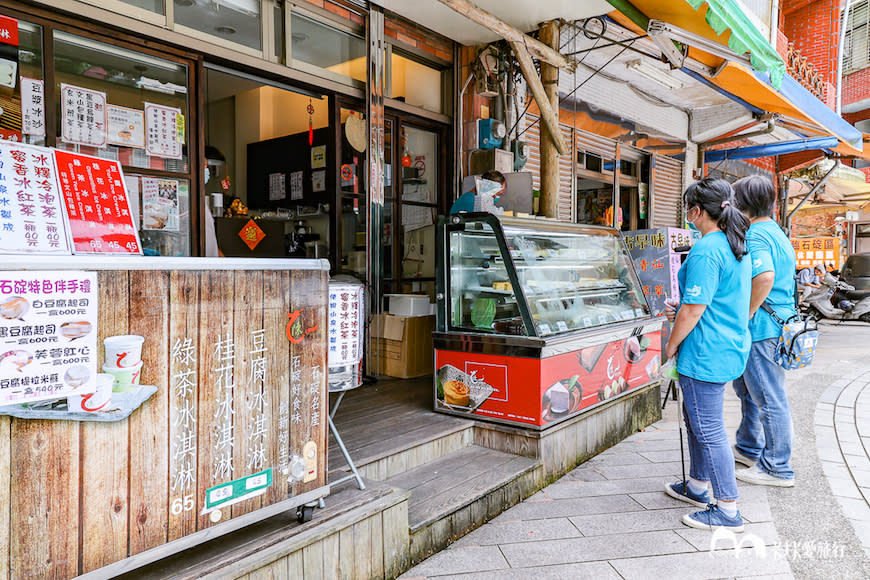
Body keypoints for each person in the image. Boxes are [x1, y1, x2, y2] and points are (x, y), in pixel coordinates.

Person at [663, 177, 751, 532]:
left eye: (688, 208)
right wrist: (684, 308)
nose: (687, 214)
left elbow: (694, 310)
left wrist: (670, 345)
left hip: (704, 352)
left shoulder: (706, 248)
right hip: (725, 347)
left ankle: (727, 509)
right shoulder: (735, 245)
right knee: (698, 423)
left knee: (709, 429)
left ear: (697, 211)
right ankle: (698, 486)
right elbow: (707, 301)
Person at [730, 176, 796, 487]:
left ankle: (778, 467)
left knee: (769, 398)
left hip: (763, 327)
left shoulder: (755, 234)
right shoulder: (776, 231)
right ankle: (748, 447)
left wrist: (747, 314)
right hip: (779, 322)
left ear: (742, 203)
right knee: (749, 391)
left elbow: (765, 276)